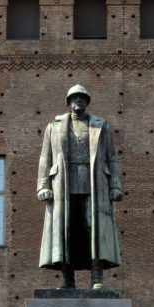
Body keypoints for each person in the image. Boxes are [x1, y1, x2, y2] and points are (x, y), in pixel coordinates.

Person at [37, 85, 123, 289]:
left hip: (94, 183)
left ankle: (96, 278)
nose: (78, 101)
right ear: (68, 102)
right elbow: (45, 158)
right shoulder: (54, 126)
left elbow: (112, 158)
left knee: (93, 227)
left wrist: (115, 185)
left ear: (87, 102)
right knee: (67, 229)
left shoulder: (101, 126)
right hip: (63, 184)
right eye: (74, 98)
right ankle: (68, 280)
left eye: (82, 98)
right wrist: (43, 186)